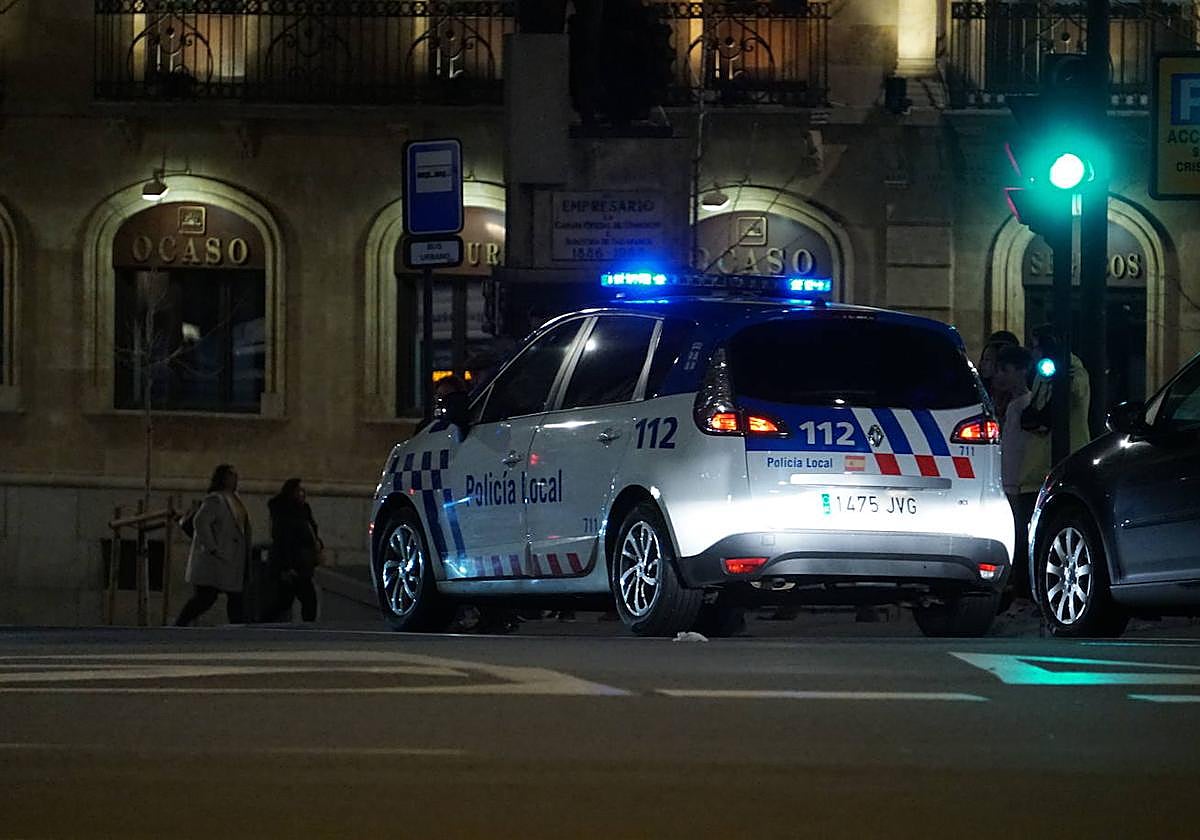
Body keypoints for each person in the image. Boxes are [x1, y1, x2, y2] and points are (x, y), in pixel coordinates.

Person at [175, 464, 251, 626]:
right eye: (230, 476)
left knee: (234, 596)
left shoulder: (235, 499)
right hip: (217, 558)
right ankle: (180, 624)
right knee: (206, 597)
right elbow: (200, 522)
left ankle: (237, 627)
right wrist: (213, 547)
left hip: (231, 558)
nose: (234, 479)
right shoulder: (216, 499)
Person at [992, 344, 1034, 598]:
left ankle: (1021, 588)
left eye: (1005, 370)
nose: (1000, 376)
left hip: (1019, 477)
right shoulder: (1011, 405)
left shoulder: (1024, 404)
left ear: (1021, 371)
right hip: (1011, 477)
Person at [268, 478, 322, 622]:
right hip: (293, 565)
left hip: (302, 564)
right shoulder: (284, 514)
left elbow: (311, 533)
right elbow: (283, 540)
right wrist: (287, 567)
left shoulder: (304, 510)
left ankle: (267, 621)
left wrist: (318, 546)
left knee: (286, 600)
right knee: (304, 599)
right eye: (299, 491)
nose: (302, 494)